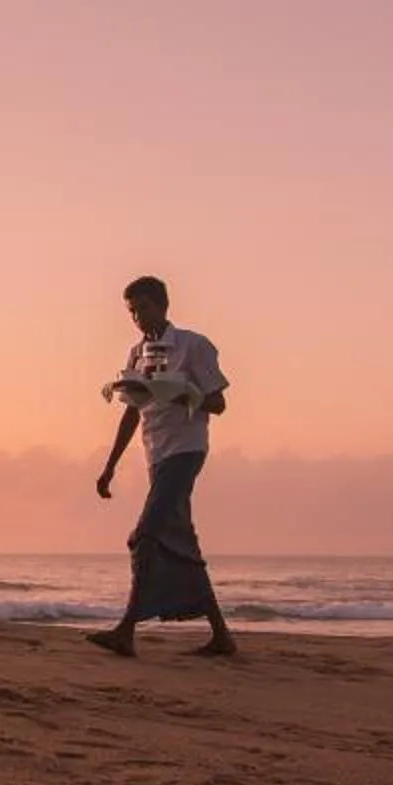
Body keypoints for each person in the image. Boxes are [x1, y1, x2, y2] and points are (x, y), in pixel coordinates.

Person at [92, 275, 235, 657]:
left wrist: (180, 396)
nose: (138, 318)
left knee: (146, 536)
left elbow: (218, 403)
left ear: (162, 305)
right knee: (182, 541)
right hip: (156, 455)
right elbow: (131, 415)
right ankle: (222, 636)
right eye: (132, 312)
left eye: (143, 309)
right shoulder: (137, 354)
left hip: (186, 452)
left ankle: (126, 629)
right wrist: (110, 467)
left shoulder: (193, 346)